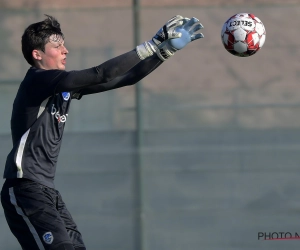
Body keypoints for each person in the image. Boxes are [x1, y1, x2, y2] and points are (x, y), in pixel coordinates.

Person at [0, 14, 204, 250]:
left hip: (47, 192)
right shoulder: (37, 81)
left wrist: (164, 52)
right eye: (57, 46)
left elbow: (125, 78)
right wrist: (152, 43)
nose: (65, 50)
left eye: (64, 44)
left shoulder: (62, 88)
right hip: (25, 189)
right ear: (37, 54)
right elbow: (101, 73)